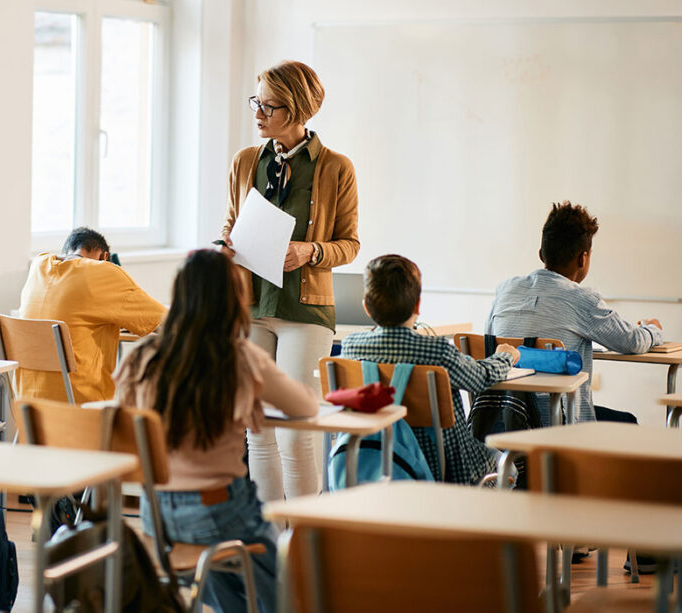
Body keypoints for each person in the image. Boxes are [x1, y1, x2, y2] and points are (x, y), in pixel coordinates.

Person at [116, 250, 318, 613]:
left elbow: (122, 420)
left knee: (222, 573)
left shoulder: (143, 357)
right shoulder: (239, 357)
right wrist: (251, 396)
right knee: (286, 587)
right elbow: (305, 406)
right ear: (234, 299)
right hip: (220, 511)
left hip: (155, 513)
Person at [219, 60, 360, 501]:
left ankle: (304, 541)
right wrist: (227, 243)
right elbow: (231, 222)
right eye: (256, 102)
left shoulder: (337, 168)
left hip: (305, 309)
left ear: (296, 109)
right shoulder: (245, 162)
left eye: (268, 106)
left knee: (296, 432)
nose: (257, 113)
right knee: (257, 429)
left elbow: (350, 243)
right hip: (251, 305)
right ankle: (268, 542)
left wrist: (310, 251)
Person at [340, 255, 520, 484]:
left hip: (375, 465)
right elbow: (481, 377)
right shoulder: (436, 352)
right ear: (417, 305)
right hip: (446, 468)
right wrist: (505, 355)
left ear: (366, 307)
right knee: (508, 466)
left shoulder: (350, 347)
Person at [486, 201, 663, 426]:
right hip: (558, 427)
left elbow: (490, 345)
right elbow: (633, 341)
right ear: (583, 259)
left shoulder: (505, 291)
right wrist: (653, 328)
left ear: (541, 254)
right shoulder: (583, 300)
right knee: (628, 422)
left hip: (504, 424)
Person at [18, 227, 166, 404]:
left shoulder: (39, 265)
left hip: (28, 411)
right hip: (81, 407)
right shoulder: (102, 271)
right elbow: (167, 321)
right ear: (104, 258)